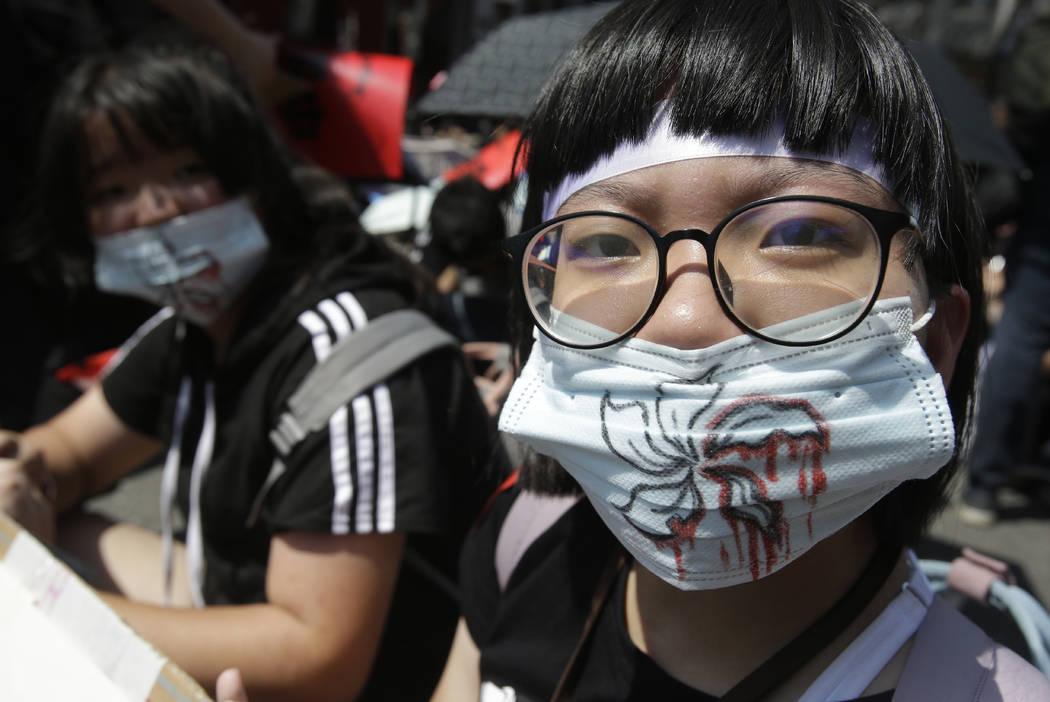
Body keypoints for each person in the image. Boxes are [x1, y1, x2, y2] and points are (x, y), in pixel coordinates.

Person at [423, 1, 1050, 700]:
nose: (687, 319)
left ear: (937, 337)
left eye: (801, 235)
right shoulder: (520, 548)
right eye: (604, 244)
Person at [0, 33, 503, 702]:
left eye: (184, 173)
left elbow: (317, 658)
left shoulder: (349, 357)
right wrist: (18, 474)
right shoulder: (191, 326)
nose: (155, 211)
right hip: (237, 596)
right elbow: (71, 451)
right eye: (113, 189)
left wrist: (50, 603)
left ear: (255, 178)